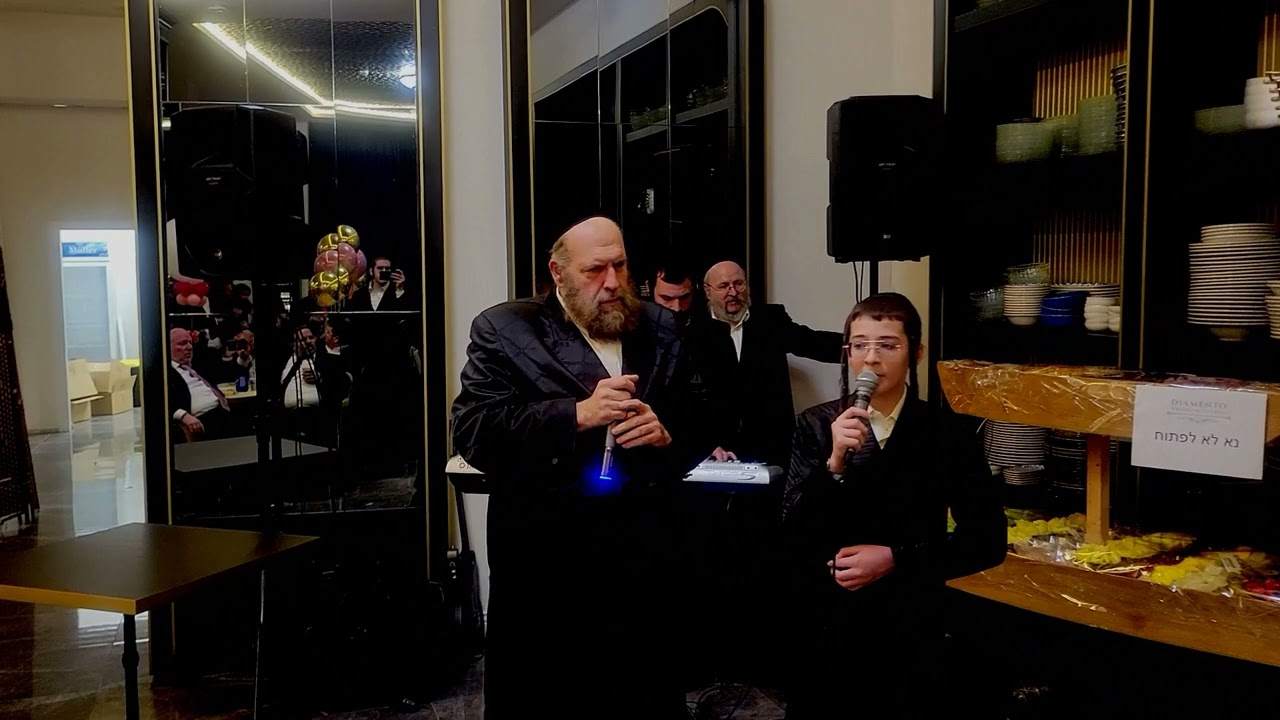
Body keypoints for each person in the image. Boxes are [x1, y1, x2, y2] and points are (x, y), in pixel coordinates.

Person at [451, 216, 712, 719]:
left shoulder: (661, 326)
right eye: (595, 270)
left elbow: (702, 418)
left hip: (643, 562)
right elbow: (474, 432)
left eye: (620, 265)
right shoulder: (506, 328)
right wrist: (576, 415)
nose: (613, 282)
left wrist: (668, 435)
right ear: (558, 272)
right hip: (546, 569)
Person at [781, 293, 1007, 718]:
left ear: (915, 353)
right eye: (859, 345)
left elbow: (987, 540)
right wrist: (834, 462)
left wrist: (895, 558)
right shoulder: (817, 424)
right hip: (829, 619)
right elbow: (792, 528)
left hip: (911, 618)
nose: (871, 358)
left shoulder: (946, 432)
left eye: (887, 345)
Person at [694, 260, 844, 468]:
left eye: (739, 284)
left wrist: (859, 345)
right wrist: (704, 443)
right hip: (719, 448)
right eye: (724, 286)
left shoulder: (770, 320)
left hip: (773, 444)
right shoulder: (694, 330)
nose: (733, 292)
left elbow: (811, 342)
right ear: (708, 291)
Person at [168, 327, 234, 440]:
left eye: (190, 343)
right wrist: (183, 415)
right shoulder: (166, 372)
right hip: (203, 420)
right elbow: (157, 402)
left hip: (222, 411)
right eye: (182, 343)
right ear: (168, 347)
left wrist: (239, 358)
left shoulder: (197, 366)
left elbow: (225, 375)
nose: (189, 347)